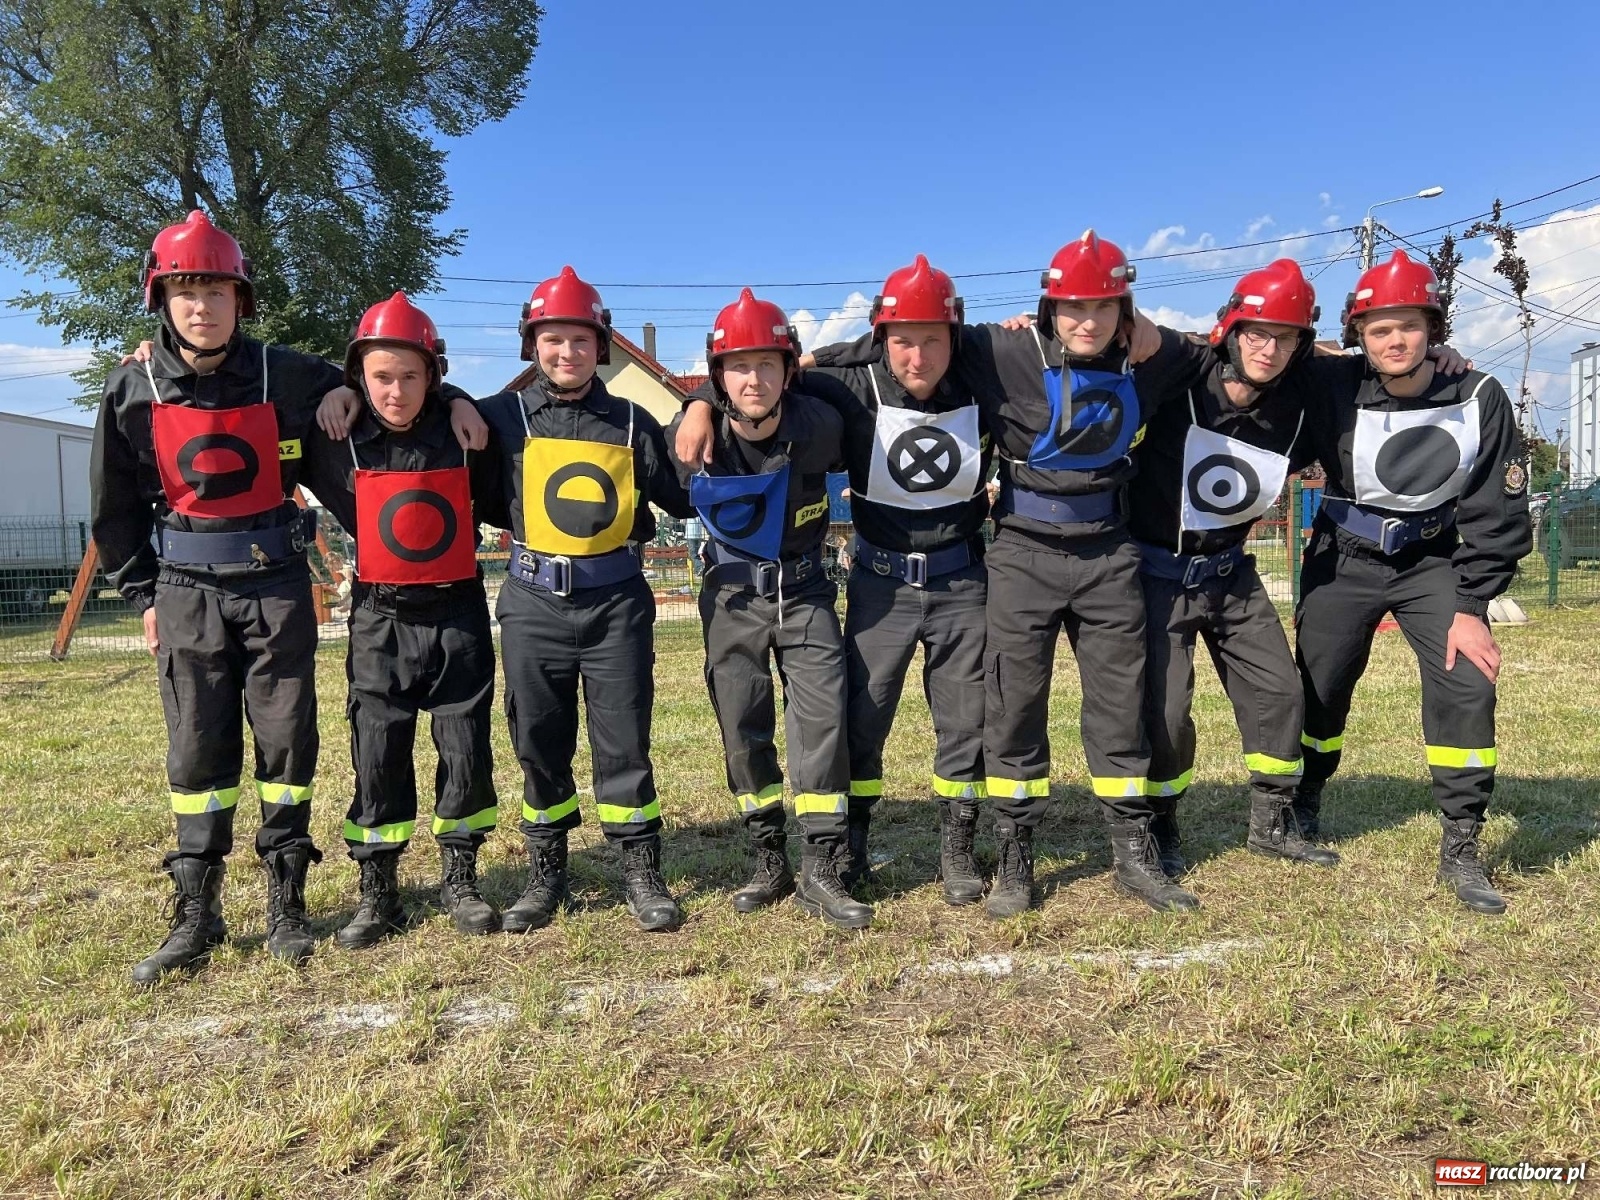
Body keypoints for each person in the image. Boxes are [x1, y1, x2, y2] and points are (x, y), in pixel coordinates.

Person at [810, 232, 1214, 917]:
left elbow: (1226, 354)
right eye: (1071, 307)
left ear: (1124, 306)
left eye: (1104, 306)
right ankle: (1016, 855)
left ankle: (1132, 852)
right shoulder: (1001, 349)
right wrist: (707, 399)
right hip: (1021, 553)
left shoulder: (1152, 355)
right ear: (1048, 307)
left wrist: (1150, 327)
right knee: (1012, 706)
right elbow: (883, 345)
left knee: (1122, 704)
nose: (1086, 321)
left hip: (1110, 553)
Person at [675, 256, 991, 906]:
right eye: (902, 338)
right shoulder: (843, 388)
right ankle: (797, 855)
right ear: (882, 339)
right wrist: (699, 402)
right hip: (852, 585)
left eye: (934, 336)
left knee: (946, 722)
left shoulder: (976, 375)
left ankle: (920, 853)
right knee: (825, 724)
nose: (918, 353)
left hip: (944, 580)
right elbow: (761, 377)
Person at [92, 211, 346, 984]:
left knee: (286, 747)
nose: (202, 305)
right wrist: (141, 595)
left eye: (217, 289)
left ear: (243, 299)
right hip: (184, 591)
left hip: (275, 587)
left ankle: (287, 899)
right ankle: (197, 910)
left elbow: (381, 372)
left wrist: (344, 395)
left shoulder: (287, 374)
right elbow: (116, 506)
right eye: (184, 289)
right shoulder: (131, 386)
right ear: (160, 299)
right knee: (197, 748)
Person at [1293, 251, 1531, 914]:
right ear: (1358, 335)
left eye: (1411, 326)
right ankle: (1306, 798)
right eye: (1379, 329)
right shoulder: (1332, 384)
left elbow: (1498, 509)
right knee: (1318, 688)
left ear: (1434, 329)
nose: (1396, 340)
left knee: (1467, 682)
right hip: (1343, 562)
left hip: (1435, 565)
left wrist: (1470, 604)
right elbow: (1253, 350)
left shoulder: (1478, 394)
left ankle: (1461, 845)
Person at [475, 266, 694, 933]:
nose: (565, 353)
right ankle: (548, 872)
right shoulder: (498, 416)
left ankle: (639, 866)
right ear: (531, 346)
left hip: (615, 604)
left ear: (599, 346)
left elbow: (680, 496)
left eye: (578, 340)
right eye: (552, 340)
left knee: (623, 738)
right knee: (538, 739)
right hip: (533, 602)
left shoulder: (633, 420)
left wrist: (702, 408)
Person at [301, 293, 507, 946]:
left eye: (411, 377)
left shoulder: (464, 431)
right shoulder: (334, 437)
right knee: (377, 753)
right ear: (360, 376)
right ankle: (378, 891)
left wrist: (459, 402)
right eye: (380, 377)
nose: (395, 391)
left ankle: (461, 880)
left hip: (457, 614)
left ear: (434, 378)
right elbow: (264, 386)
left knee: (465, 748)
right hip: (378, 618)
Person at [667, 289, 871, 930]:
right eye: (738, 366)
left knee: (822, 723)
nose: (753, 379)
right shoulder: (693, 439)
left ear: (789, 369)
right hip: (731, 599)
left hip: (807, 591)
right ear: (718, 374)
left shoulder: (822, 422)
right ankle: (767, 856)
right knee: (742, 724)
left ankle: (822, 864)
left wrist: (816, 361)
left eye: (768, 364)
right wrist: (694, 405)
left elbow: (868, 372)